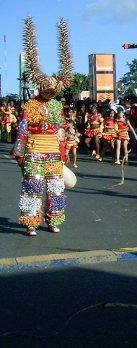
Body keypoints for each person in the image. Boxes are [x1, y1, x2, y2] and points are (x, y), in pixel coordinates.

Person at [12, 17, 73, 236]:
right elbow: (22, 130)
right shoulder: (31, 104)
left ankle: (53, 220)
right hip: (34, 152)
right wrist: (21, 155)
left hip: (53, 154)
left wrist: (63, 153)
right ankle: (31, 222)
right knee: (33, 187)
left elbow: (61, 132)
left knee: (56, 188)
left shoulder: (58, 105)